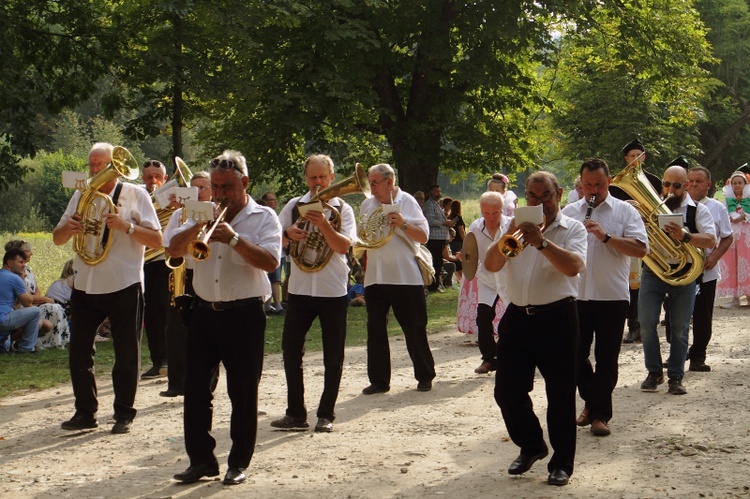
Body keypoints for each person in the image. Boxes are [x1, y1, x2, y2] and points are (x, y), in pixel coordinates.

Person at [169, 150, 281, 486]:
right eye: (215, 187)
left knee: (243, 391)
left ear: (244, 183)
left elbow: (270, 263)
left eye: (227, 187)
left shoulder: (264, 218)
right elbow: (173, 249)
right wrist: (197, 227)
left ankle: (238, 462)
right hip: (203, 313)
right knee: (196, 390)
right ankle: (201, 460)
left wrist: (232, 238)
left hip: (244, 314)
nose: (219, 193)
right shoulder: (201, 212)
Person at [485, 171, 586, 487]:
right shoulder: (511, 228)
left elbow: (573, 267)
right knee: (506, 391)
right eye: (532, 195)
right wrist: (510, 233)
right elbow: (490, 265)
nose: (539, 202)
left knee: (560, 394)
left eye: (546, 196)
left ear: (558, 194)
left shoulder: (573, 228)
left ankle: (561, 464)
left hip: (558, 317)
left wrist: (542, 242)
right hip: (517, 317)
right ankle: (531, 445)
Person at [53, 142, 162, 434]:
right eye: (91, 165)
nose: (94, 171)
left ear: (114, 166)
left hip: (123, 283)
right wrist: (69, 228)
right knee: (78, 352)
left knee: (126, 353)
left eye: (100, 165)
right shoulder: (81, 194)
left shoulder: (135, 194)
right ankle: (85, 413)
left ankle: (124, 413)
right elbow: (57, 238)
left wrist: (126, 227)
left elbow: (157, 240)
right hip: (85, 283)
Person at [270, 154, 356, 434]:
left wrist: (325, 225)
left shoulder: (344, 208)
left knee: (334, 353)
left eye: (322, 177)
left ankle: (326, 414)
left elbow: (343, 247)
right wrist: (288, 232)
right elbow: (275, 238)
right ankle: (295, 413)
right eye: (312, 177)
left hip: (331, 288)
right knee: (290, 349)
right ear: (306, 178)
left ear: (332, 178)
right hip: (299, 288)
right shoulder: (295, 205)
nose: (317, 183)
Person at [562, 158, 648, 437]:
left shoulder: (625, 211)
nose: (593, 190)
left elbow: (640, 249)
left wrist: (607, 236)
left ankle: (599, 415)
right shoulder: (570, 211)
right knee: (574, 355)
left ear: (609, 181)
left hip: (612, 296)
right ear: (581, 183)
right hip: (576, 295)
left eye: (599, 184)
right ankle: (593, 401)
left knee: (607, 358)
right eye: (588, 185)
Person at [638, 166, 716, 396]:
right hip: (654, 272)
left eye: (677, 185)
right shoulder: (650, 207)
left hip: (684, 274)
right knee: (646, 323)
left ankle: (675, 377)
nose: (670, 190)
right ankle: (654, 372)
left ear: (687, 186)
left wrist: (685, 236)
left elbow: (711, 239)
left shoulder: (698, 211)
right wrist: (639, 222)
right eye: (666, 184)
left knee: (681, 329)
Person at [359, 163, 436, 394]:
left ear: (389, 182)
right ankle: (379, 381)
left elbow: (423, 236)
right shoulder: (366, 204)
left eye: (374, 183)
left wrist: (402, 223)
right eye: (370, 183)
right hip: (375, 276)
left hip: (406, 277)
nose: (371, 188)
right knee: (375, 331)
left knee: (414, 328)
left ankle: (424, 375)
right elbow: (363, 236)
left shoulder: (407, 201)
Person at [160, 171, 213, 398]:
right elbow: (167, 246)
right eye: (195, 187)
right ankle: (176, 382)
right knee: (176, 327)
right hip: (183, 274)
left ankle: (206, 382)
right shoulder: (179, 214)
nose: (199, 191)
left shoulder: (218, 214)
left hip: (208, 275)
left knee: (208, 329)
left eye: (204, 187)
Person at [682, 166, 733, 372]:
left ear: (709, 185)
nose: (693, 184)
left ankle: (698, 356)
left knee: (702, 315)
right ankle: (678, 352)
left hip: (706, 271)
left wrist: (714, 256)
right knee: (675, 316)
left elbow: (728, 236)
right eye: (690, 180)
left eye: (698, 181)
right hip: (680, 270)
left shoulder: (716, 207)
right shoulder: (675, 205)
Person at [4, 240, 70, 349]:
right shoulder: (15, 273)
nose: (31, 253)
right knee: (50, 307)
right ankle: (24, 344)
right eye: (28, 250)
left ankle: (56, 341)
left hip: (31, 304)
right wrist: (46, 299)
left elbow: (36, 291)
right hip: (21, 308)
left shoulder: (27, 270)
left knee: (55, 307)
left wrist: (38, 299)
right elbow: (26, 299)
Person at [468, 191, 508, 374]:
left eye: (495, 213)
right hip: (487, 278)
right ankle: (488, 358)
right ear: (481, 211)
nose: (491, 218)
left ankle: (506, 356)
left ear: (502, 210)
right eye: (487, 213)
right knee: (483, 317)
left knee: (512, 318)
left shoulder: (511, 226)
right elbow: (469, 254)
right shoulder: (475, 228)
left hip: (509, 278)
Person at [140, 159, 172, 379]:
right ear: (142, 179)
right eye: (149, 177)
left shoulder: (174, 198)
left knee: (167, 312)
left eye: (157, 177)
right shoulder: (137, 197)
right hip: (143, 261)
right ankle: (158, 360)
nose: (154, 181)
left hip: (165, 260)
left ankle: (172, 360)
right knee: (150, 313)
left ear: (166, 179)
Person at [717, 171, 750, 308]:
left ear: (745, 184)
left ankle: (748, 296)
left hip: (746, 236)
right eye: (734, 183)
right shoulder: (726, 200)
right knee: (732, 263)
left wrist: (743, 216)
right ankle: (734, 298)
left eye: (739, 183)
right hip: (731, 236)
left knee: (746, 263)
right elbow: (723, 215)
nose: (737, 185)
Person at [0, 249, 42, 354]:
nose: (24, 266)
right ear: (10, 263)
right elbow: (28, 303)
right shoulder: (14, 278)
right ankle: (26, 348)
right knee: (35, 311)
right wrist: (22, 279)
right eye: (21, 262)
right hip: (3, 319)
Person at [422, 184, 453, 293]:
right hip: (434, 238)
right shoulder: (429, 205)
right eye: (436, 192)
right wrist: (444, 223)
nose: (439, 193)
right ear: (430, 193)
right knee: (435, 262)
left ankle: (436, 284)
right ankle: (432, 285)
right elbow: (430, 221)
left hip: (440, 238)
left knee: (438, 262)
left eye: (439, 191)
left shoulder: (436, 205)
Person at [261, 191, 284, 314]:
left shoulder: (276, 216)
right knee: (270, 278)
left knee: (275, 279)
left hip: (277, 253)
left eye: (275, 199)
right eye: (271, 200)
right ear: (265, 202)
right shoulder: (262, 215)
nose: (275, 201)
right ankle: (269, 305)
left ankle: (274, 305)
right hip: (265, 253)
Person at [447, 200, 465, 282]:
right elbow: (461, 230)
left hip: (451, 240)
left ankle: (457, 278)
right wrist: (466, 240)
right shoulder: (458, 218)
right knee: (459, 259)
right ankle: (461, 278)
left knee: (453, 258)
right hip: (458, 241)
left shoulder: (449, 217)